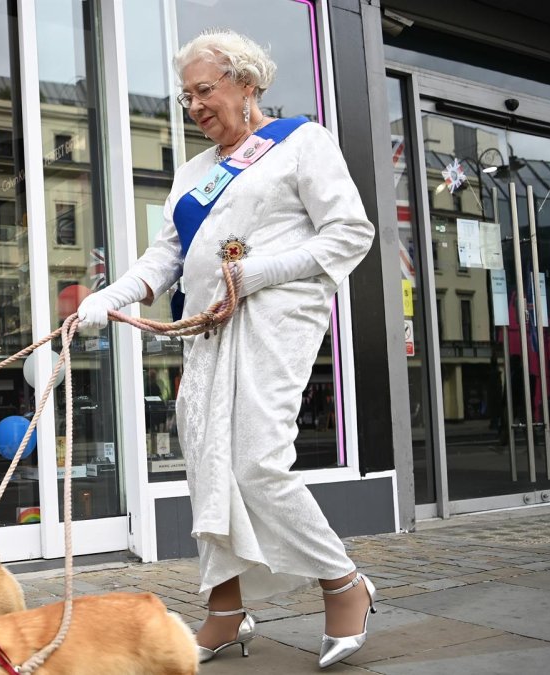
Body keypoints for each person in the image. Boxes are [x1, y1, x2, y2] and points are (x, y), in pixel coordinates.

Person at [76, 29, 376, 668]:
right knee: (208, 467)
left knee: (256, 462)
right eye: (186, 98)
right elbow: (168, 257)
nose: (195, 108)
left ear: (248, 83)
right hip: (207, 334)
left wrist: (258, 273)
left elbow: (351, 233)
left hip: (273, 321)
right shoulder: (195, 170)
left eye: (204, 91)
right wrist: (111, 298)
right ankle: (225, 608)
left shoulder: (300, 142)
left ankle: (343, 581)